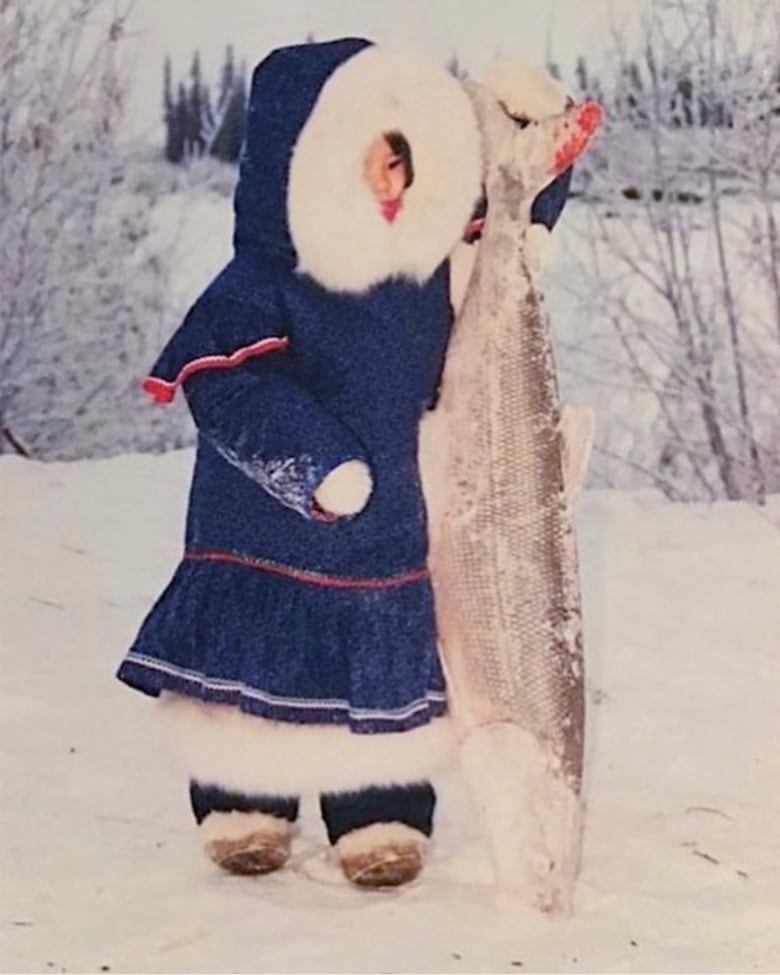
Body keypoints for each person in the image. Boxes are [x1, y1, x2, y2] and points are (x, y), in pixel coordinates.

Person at [116, 38, 575, 889]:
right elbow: (220, 380)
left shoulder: (431, 265)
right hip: (266, 524)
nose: (390, 182)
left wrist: (528, 128)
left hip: (392, 525)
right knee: (252, 673)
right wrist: (312, 462)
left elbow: (513, 216)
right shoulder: (265, 279)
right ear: (306, 164)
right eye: (370, 161)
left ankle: (377, 810)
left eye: (405, 160)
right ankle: (245, 800)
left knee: (387, 679)